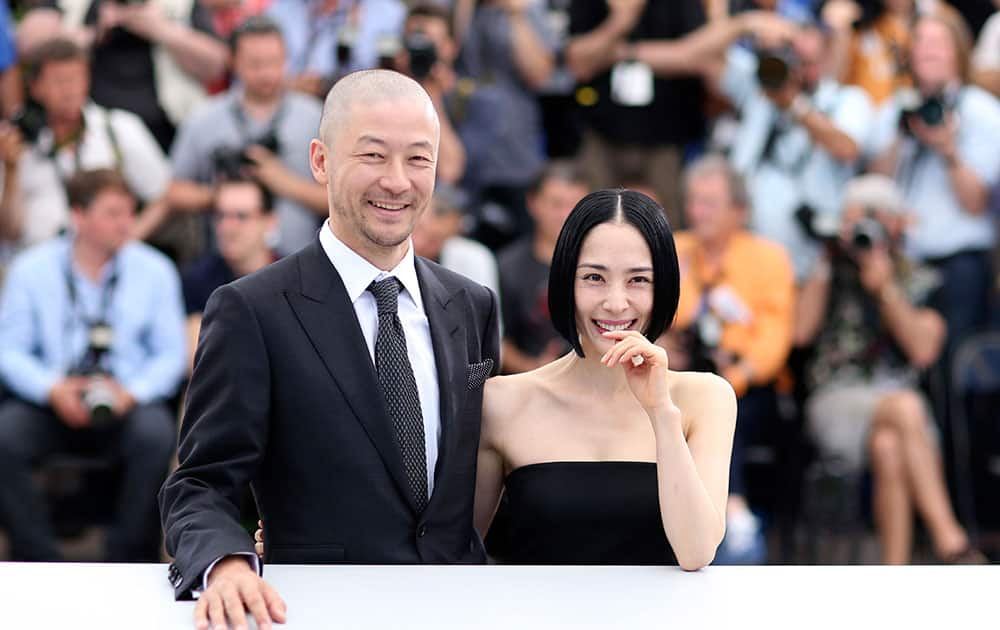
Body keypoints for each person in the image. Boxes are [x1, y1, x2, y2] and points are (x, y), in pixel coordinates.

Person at [159, 69, 501, 630]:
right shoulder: (253, 310)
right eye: (372, 156)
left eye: (418, 159)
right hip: (317, 612)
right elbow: (200, 482)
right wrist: (227, 565)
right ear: (319, 161)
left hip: (455, 609)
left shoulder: (471, 304)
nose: (397, 181)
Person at [258, 189, 738, 569]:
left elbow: (696, 551)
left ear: (665, 288)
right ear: (565, 285)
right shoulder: (504, 401)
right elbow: (449, 544)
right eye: (593, 278)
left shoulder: (704, 398)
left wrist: (660, 411)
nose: (615, 303)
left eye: (638, 280)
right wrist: (305, 529)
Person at [794, 174, 985, 565]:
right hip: (837, 398)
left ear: (897, 223)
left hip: (899, 412)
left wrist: (886, 289)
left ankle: (893, 575)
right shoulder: (829, 269)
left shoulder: (917, 275)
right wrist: (827, 260)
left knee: (889, 445)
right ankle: (950, 539)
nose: (864, 226)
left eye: (873, 216)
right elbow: (799, 333)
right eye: (855, 217)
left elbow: (923, 349)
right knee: (906, 407)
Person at [0, 168, 186, 562]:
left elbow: (171, 356)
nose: (127, 223)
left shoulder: (155, 270)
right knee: (4, 437)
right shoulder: (32, 269)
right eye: (113, 213)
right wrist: (51, 388)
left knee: (155, 434)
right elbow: (9, 351)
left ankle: (128, 557)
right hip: (52, 402)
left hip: (124, 402)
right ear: (79, 217)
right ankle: (36, 558)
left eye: (129, 212)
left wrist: (130, 393)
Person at [666, 155, 794, 563]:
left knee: (721, 405)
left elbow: (774, 337)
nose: (697, 212)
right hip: (684, 373)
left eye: (709, 203)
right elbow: (667, 315)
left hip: (750, 383)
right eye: (693, 202)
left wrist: (735, 376)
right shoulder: (677, 249)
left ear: (739, 211)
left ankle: (729, 510)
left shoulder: (768, 257)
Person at [869, 7, 1000, 362]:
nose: (926, 50)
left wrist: (947, 149)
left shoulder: (982, 110)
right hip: (905, 265)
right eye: (920, 41)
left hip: (960, 267)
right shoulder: (896, 108)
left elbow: (976, 203)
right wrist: (902, 133)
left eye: (937, 43)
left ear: (958, 51)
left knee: (956, 373)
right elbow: (875, 185)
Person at [716, 20, 873, 281]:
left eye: (810, 60)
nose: (802, 70)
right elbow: (696, 57)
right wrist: (743, 27)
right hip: (743, 241)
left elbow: (846, 148)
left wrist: (794, 103)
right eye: (796, 58)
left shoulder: (846, 99)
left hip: (809, 249)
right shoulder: (759, 91)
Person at [0, 38, 173, 262]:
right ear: (35, 86)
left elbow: (164, 194)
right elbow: (8, 232)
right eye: (60, 81)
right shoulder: (13, 142)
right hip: (36, 271)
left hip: (107, 265)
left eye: (77, 78)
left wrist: (129, 239)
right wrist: (11, 170)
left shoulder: (118, 129)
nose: (70, 89)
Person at [168, 16, 326, 259]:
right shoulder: (205, 118)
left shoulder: (315, 117)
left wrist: (281, 181)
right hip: (227, 267)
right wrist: (223, 195)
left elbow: (342, 200)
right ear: (233, 62)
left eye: (275, 62)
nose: (266, 73)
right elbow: (175, 191)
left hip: (301, 263)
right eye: (255, 64)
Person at [498, 161, 589, 374]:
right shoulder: (507, 266)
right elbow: (495, 339)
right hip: (530, 384)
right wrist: (535, 369)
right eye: (557, 204)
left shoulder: (603, 263)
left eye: (575, 205)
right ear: (533, 203)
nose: (566, 214)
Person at [181, 177, 278, 371]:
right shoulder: (198, 278)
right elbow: (196, 363)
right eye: (221, 216)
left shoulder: (295, 277)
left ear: (269, 222)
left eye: (241, 216)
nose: (228, 227)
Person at [410, 185, 499, 298]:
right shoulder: (396, 256)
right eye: (419, 230)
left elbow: (485, 312)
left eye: (436, 238)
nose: (421, 242)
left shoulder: (470, 255)